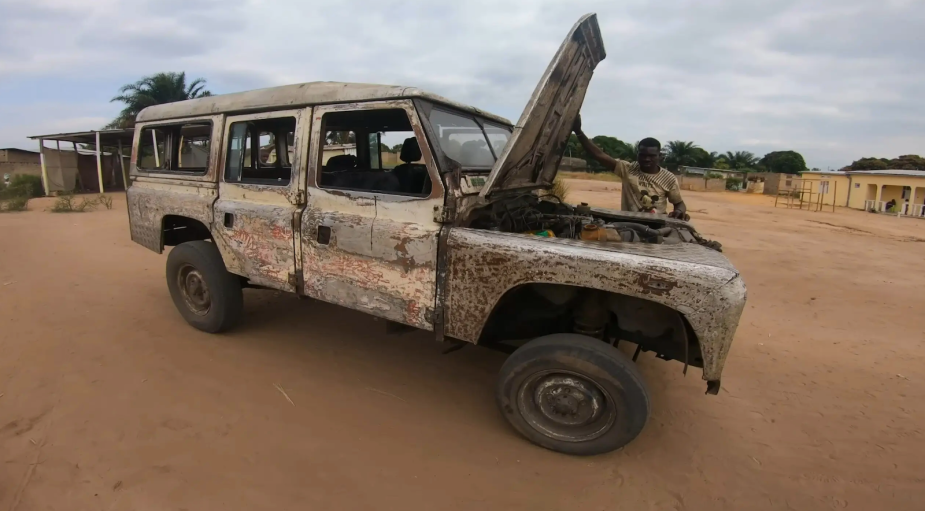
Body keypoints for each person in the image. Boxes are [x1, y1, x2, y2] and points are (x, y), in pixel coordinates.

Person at [572, 115, 688, 220]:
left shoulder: (669, 178)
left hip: (657, 224)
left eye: (651, 156)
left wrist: (679, 211)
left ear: (660, 156)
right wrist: (578, 132)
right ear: (637, 154)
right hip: (628, 222)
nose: (647, 159)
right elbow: (599, 155)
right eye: (643, 155)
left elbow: (679, 203)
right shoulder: (628, 169)